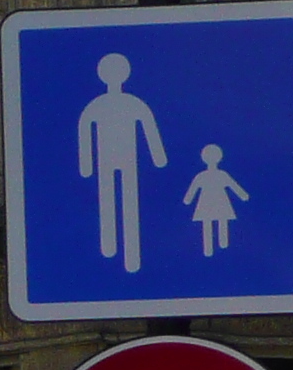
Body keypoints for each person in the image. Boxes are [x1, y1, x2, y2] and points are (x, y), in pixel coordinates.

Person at [77, 53, 169, 272]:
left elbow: (148, 129)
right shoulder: (111, 104)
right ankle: (111, 249)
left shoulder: (121, 104)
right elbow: (84, 132)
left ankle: (125, 254)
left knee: (123, 199)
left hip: (125, 160)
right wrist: (86, 165)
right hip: (110, 160)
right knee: (112, 198)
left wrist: (158, 158)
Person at [184, 144, 247, 254]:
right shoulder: (212, 175)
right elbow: (235, 188)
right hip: (215, 202)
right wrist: (243, 196)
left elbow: (234, 187)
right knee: (216, 221)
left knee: (214, 222)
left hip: (212, 202)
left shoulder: (207, 175)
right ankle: (219, 246)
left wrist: (188, 200)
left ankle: (217, 247)